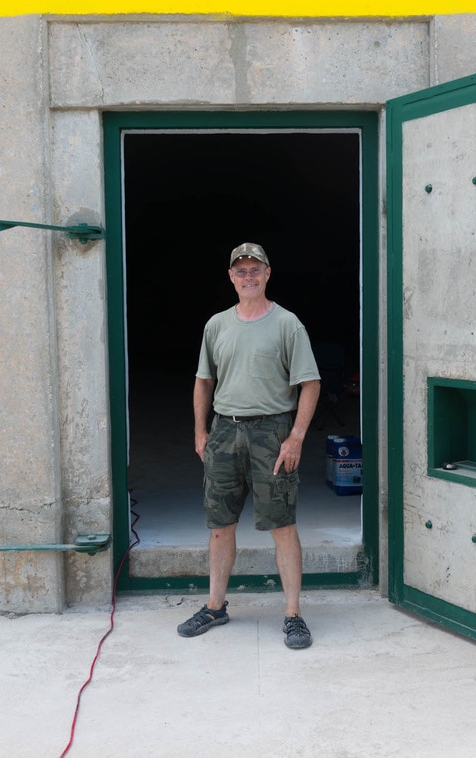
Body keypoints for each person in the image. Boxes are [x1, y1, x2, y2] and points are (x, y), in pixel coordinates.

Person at [177, 242, 321, 649]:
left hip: (272, 432)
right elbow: (203, 380)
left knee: (282, 524)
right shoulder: (216, 325)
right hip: (225, 430)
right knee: (220, 526)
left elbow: (309, 383)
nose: (248, 276)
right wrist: (200, 432)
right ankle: (215, 606)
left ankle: (293, 615)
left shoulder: (287, 324)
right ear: (231, 277)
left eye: (255, 269)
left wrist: (295, 436)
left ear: (268, 273)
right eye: (240, 271)